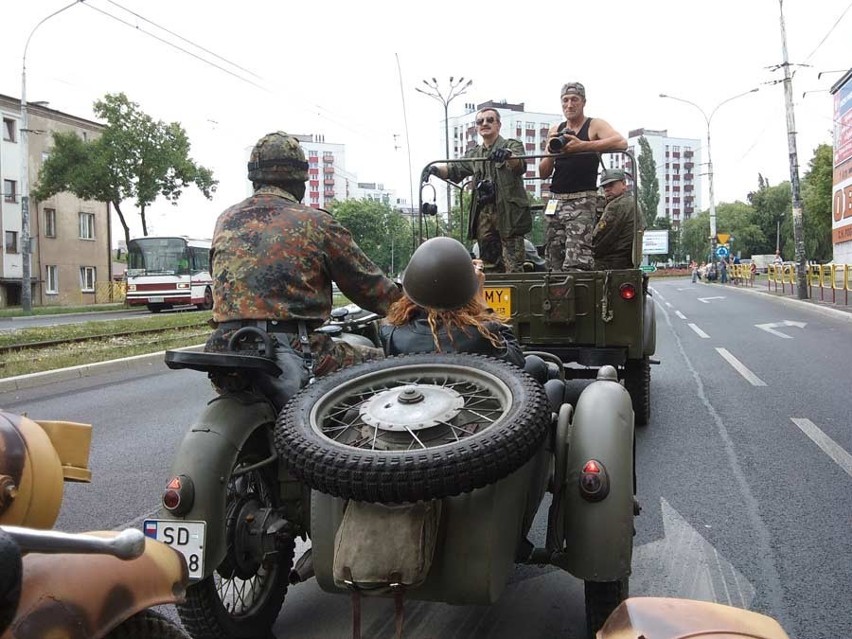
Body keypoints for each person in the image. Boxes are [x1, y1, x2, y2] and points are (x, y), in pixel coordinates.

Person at [207, 131, 401, 405]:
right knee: (391, 364)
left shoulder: (225, 219)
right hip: (295, 352)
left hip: (225, 349)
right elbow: (372, 289)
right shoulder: (315, 222)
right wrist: (414, 307)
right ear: (300, 180)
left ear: (254, 177)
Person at [380, 236, 524, 367]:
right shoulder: (483, 335)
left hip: (415, 394)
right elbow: (517, 360)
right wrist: (480, 299)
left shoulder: (390, 334)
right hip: (473, 393)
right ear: (467, 294)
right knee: (536, 364)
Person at [423, 108, 531, 273]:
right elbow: (454, 169)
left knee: (513, 268)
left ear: (499, 124)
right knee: (488, 268)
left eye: (490, 120)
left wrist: (507, 156)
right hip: (485, 217)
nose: (485, 124)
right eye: (480, 121)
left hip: (509, 215)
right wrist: (434, 170)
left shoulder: (511, 145)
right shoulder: (475, 153)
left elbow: (520, 165)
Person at [539, 82, 628, 271]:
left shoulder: (594, 125)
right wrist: (551, 149)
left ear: (583, 102)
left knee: (578, 261)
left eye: (574, 100)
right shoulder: (556, 129)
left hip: (582, 199)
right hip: (555, 202)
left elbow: (621, 142)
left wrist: (582, 146)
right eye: (565, 100)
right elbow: (543, 172)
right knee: (553, 259)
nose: (569, 105)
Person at [592, 168, 641, 270]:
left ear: (624, 184)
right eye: (604, 186)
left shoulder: (616, 206)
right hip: (624, 262)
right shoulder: (632, 202)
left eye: (611, 184)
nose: (607, 189)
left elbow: (598, 241)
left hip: (610, 264)